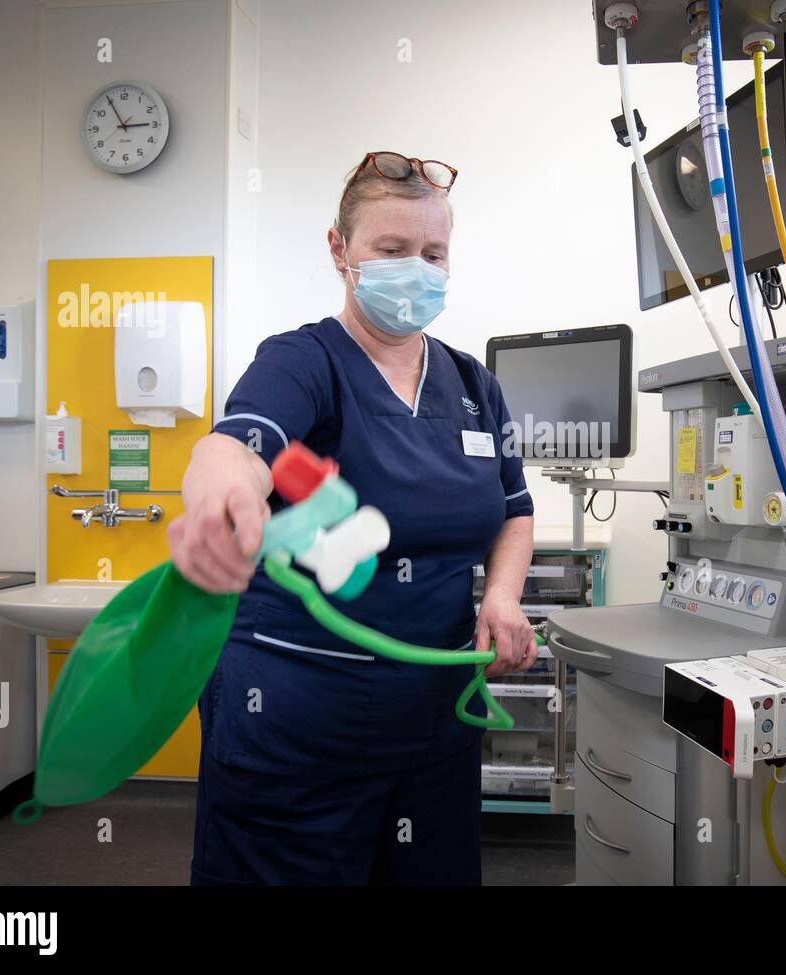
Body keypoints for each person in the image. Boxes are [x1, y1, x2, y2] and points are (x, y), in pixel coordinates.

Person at [168, 151, 537, 885]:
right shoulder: (302, 363)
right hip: (296, 715)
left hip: (434, 718)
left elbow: (514, 511)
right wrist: (218, 499)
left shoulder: (473, 385)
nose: (417, 269)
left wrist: (501, 595)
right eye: (392, 250)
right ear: (340, 251)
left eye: (433, 253)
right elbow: (233, 448)